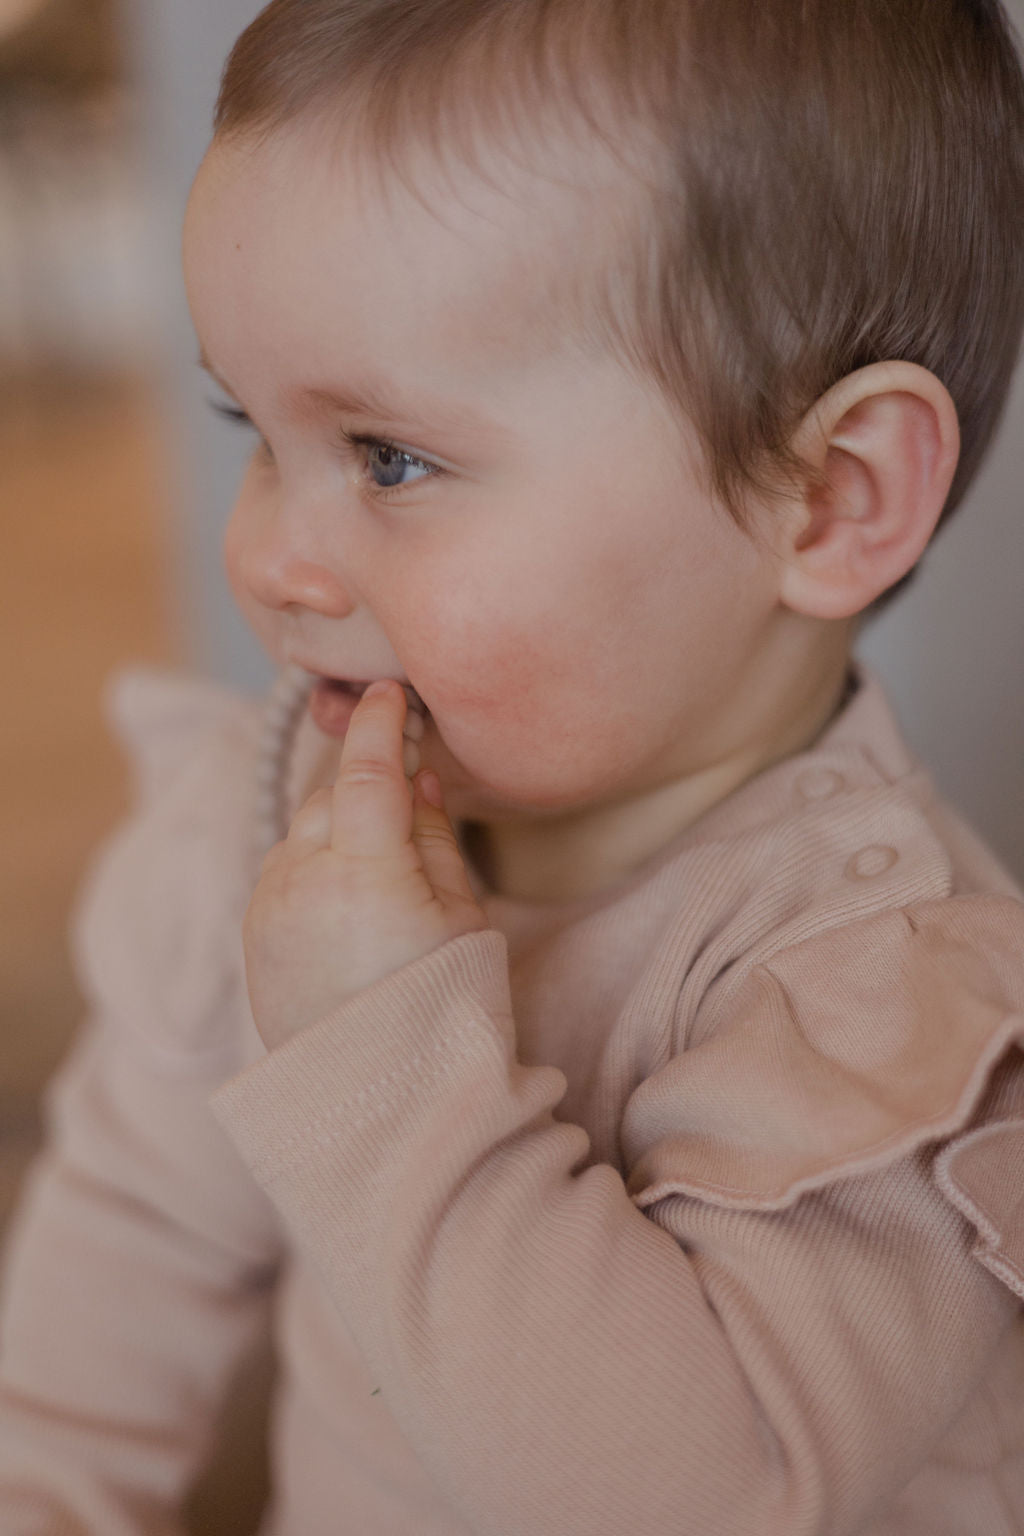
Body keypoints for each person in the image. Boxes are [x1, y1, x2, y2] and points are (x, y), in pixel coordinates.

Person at [2, 0, 1023, 1530]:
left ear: (827, 502)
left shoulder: (891, 1024)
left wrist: (382, 1051)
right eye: (249, 427)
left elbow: (689, 1499)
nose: (268, 554)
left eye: (390, 459)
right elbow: (117, 1280)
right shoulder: (257, 824)